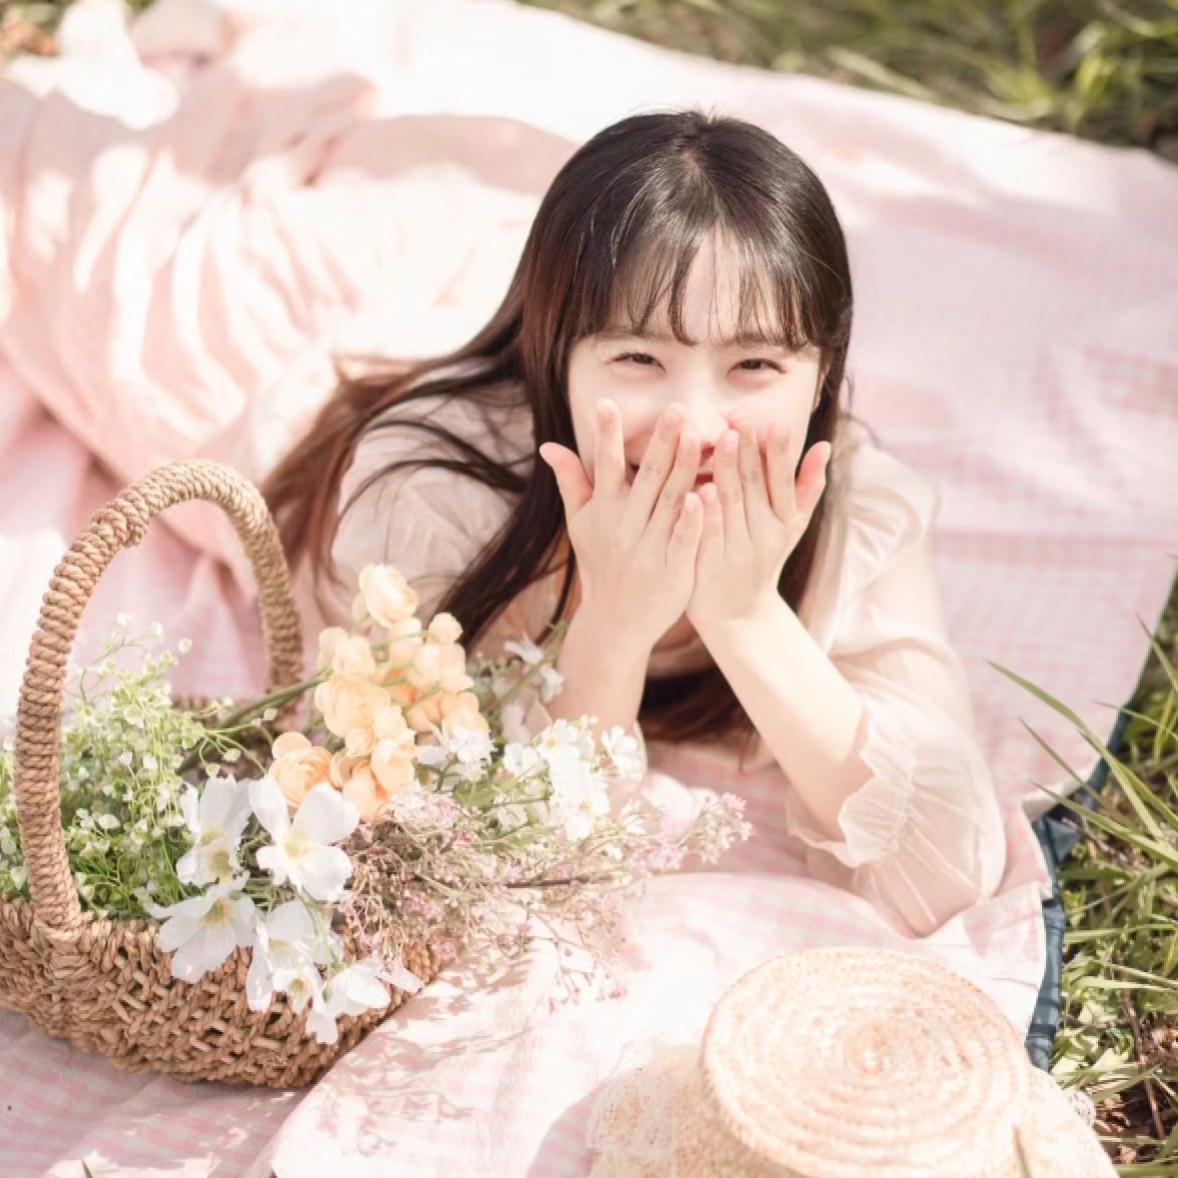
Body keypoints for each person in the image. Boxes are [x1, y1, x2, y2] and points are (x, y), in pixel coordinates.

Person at [259, 107, 1019, 1170]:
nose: (693, 426)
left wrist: (745, 612)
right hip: (296, 446)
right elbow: (491, 880)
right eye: (636, 356)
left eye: (754, 366)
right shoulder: (433, 497)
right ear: (555, 354)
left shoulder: (856, 503)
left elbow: (946, 872)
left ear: (823, 372)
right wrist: (613, 619)